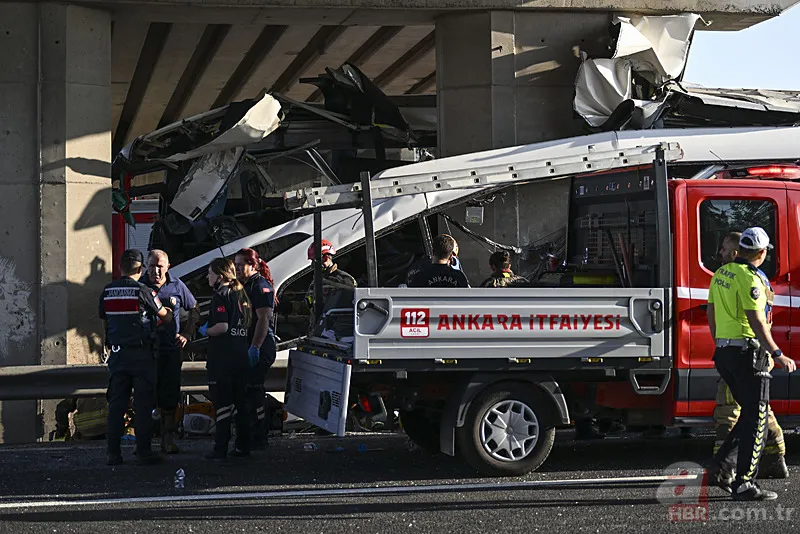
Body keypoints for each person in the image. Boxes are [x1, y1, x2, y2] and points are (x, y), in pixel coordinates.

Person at [706, 227, 796, 501]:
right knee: (757, 419)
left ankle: (721, 468)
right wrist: (777, 352)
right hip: (749, 355)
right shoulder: (751, 280)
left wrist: (720, 343)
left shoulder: (721, 273)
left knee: (749, 414)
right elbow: (756, 320)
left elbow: (711, 312)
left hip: (725, 352)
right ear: (762, 252)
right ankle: (744, 483)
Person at [99, 248, 172, 466]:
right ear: (141, 269)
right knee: (143, 404)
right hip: (141, 355)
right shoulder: (142, 291)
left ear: (120, 267)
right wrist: (169, 310)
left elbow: (105, 319)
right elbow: (164, 316)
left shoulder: (107, 291)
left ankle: (113, 453)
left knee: (116, 405)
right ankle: (143, 450)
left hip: (118, 355)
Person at [142, 249, 199, 454]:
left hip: (170, 351)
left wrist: (186, 333)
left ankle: (168, 439)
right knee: (145, 396)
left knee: (169, 396)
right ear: (145, 266)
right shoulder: (140, 285)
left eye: (160, 266)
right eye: (152, 266)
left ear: (168, 267)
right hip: (146, 351)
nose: (155, 271)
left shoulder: (177, 285)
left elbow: (194, 309)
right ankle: (144, 442)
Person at [203, 258, 253, 459]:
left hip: (223, 359)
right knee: (241, 404)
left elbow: (222, 327)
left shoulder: (221, 296)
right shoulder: (242, 295)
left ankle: (220, 447)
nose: (208, 277)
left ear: (220, 276)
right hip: (241, 355)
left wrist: (205, 330)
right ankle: (243, 446)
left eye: (210, 273)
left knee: (223, 404)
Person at [235, 247, 278, 450]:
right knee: (248, 392)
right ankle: (253, 435)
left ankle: (259, 436)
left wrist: (255, 346)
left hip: (261, 346)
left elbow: (264, 318)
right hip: (249, 345)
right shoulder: (245, 285)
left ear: (252, 266)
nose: (236, 269)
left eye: (240, 265)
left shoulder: (260, 286)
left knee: (253, 391)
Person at [305, 239, 357, 339]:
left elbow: (350, 310)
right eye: (312, 261)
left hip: (335, 334)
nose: (313, 265)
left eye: (316, 260)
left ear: (327, 257)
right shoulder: (316, 280)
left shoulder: (344, 280)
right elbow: (309, 303)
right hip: (317, 331)